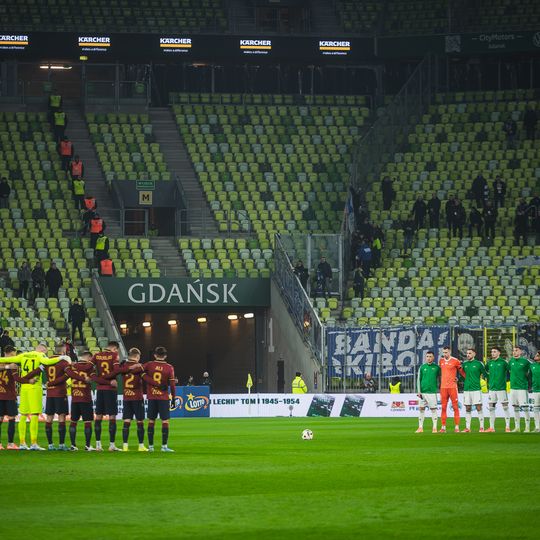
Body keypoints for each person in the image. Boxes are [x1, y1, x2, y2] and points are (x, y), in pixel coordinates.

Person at [0, 343, 66, 450]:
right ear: (43, 351)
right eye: (45, 352)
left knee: (23, 415)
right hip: (34, 386)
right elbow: (49, 361)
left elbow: (3, 360)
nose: (45, 354)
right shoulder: (40, 356)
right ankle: (34, 443)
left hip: (24, 388)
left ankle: (22, 443)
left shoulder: (24, 355)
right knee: (34, 415)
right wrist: (63, 357)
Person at [0, 346, 41, 449]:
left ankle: (6, 444)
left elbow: (17, 378)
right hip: (7, 395)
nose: (15, 356)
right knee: (8, 418)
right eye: (13, 354)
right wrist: (29, 381)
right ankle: (8, 443)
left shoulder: (11, 365)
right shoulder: (11, 364)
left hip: (6, 395)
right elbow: (17, 378)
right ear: (8, 354)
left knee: (7, 419)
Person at [142, 346, 176, 452]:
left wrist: (151, 381)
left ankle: (151, 447)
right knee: (165, 421)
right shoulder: (169, 367)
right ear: (165, 356)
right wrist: (173, 398)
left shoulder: (149, 365)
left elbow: (140, 373)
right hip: (163, 398)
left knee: (151, 421)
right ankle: (164, 446)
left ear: (155, 355)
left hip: (152, 397)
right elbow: (172, 385)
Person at [91, 341, 121, 451]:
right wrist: (108, 381)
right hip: (110, 390)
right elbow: (117, 370)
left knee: (98, 416)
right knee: (112, 416)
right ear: (114, 348)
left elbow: (90, 369)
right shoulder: (114, 355)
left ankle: (98, 445)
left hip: (100, 389)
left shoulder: (97, 355)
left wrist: (100, 379)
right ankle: (112, 445)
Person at [117, 347, 148, 452]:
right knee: (140, 421)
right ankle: (141, 446)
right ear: (137, 356)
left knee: (126, 421)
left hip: (126, 397)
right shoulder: (139, 366)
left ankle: (125, 446)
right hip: (137, 397)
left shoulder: (123, 366)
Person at [65, 351, 96, 451]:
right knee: (87, 422)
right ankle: (87, 446)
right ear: (89, 357)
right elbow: (91, 379)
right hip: (85, 397)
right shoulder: (90, 367)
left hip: (75, 398)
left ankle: (73, 445)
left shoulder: (73, 366)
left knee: (73, 422)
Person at [44, 344, 72, 451]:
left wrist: (50, 383)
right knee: (61, 417)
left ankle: (50, 445)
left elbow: (39, 370)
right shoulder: (63, 362)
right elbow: (69, 374)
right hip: (60, 393)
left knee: (49, 418)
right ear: (62, 351)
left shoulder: (47, 361)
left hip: (50, 393)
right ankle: (61, 445)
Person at [439, 346, 465, 433]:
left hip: (452, 387)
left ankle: (457, 427)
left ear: (450, 352)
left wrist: (459, 378)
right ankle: (443, 427)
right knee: (443, 407)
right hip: (443, 388)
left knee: (455, 407)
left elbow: (462, 372)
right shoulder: (441, 361)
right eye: (443, 352)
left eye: (446, 352)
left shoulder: (455, 360)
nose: (445, 354)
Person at [485, 346, 511, 433]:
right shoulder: (489, 363)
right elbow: (485, 371)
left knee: (505, 407)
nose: (492, 353)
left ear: (499, 353)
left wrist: (507, 380)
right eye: (492, 352)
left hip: (501, 389)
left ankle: (507, 427)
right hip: (492, 389)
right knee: (491, 408)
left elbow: (511, 371)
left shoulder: (504, 362)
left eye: (494, 352)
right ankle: (491, 428)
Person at [461, 348, 486, 433]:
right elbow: (462, 374)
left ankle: (482, 427)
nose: (468, 355)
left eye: (470, 353)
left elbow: (485, 374)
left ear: (474, 354)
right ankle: (467, 428)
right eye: (467, 353)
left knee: (478, 407)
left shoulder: (479, 364)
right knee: (468, 408)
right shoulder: (465, 364)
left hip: (476, 389)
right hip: (467, 389)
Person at [416, 351, 441, 433]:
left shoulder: (437, 368)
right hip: (423, 393)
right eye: (427, 356)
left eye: (430, 356)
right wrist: (419, 391)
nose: (428, 358)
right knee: (421, 409)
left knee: (433, 409)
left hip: (432, 392)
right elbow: (418, 379)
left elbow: (442, 378)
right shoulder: (422, 367)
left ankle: (434, 428)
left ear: (433, 358)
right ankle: (420, 427)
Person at [508, 345, 531, 433]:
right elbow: (510, 371)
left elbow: (532, 372)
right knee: (515, 407)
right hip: (513, 388)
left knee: (525, 408)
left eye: (516, 350)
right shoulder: (511, 361)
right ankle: (517, 427)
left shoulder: (526, 362)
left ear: (520, 352)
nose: (514, 352)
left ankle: (527, 427)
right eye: (513, 350)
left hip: (522, 388)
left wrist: (529, 384)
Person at [531, 350, 540, 432]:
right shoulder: (532, 365)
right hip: (536, 390)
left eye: (537, 355)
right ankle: (537, 427)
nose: (535, 356)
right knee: (536, 409)